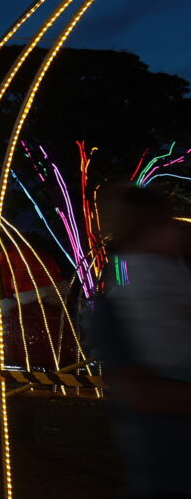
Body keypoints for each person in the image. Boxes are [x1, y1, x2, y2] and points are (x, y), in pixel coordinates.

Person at [95, 184, 191, 498]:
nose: (178, 230)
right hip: (167, 465)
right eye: (166, 223)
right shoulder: (122, 301)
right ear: (145, 228)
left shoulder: (171, 284)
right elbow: (141, 394)